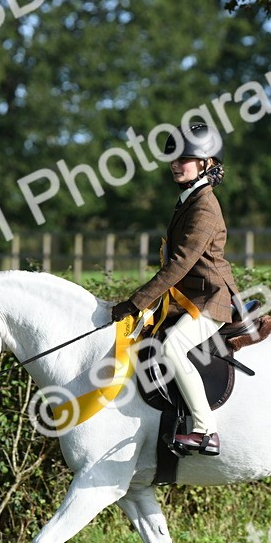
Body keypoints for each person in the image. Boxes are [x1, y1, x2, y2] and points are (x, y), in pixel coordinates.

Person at [111, 123, 238, 456]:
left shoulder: (204, 207)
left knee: (172, 350)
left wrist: (136, 302)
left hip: (209, 300)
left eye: (185, 158)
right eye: (173, 158)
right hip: (188, 299)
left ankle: (206, 431)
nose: (175, 164)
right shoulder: (188, 200)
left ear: (207, 163)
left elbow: (179, 265)